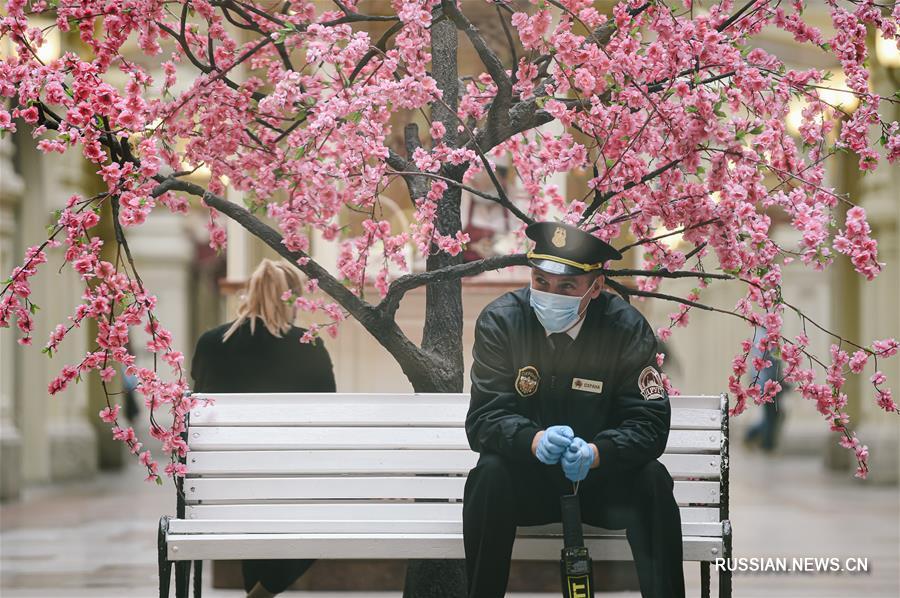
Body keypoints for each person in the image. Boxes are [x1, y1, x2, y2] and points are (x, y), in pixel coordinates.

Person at [464, 221, 685, 598]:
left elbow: (649, 423)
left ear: (596, 287)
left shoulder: (625, 328)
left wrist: (598, 453)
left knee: (652, 480)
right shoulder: (502, 322)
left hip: (602, 485)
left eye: (567, 286)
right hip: (528, 483)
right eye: (541, 281)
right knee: (488, 475)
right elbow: (484, 418)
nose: (551, 294)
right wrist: (532, 441)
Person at [191, 259, 336, 598]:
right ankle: (261, 593)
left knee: (256, 500)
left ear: (249, 293)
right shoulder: (308, 345)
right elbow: (327, 414)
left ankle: (258, 593)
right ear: (294, 300)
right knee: (329, 511)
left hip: (220, 488)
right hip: (289, 484)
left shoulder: (212, 343)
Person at [743, 326, 787, 452]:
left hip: (764, 381)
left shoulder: (759, 335)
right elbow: (771, 362)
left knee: (772, 414)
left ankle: (761, 441)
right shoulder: (767, 338)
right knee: (771, 415)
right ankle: (763, 443)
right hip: (769, 382)